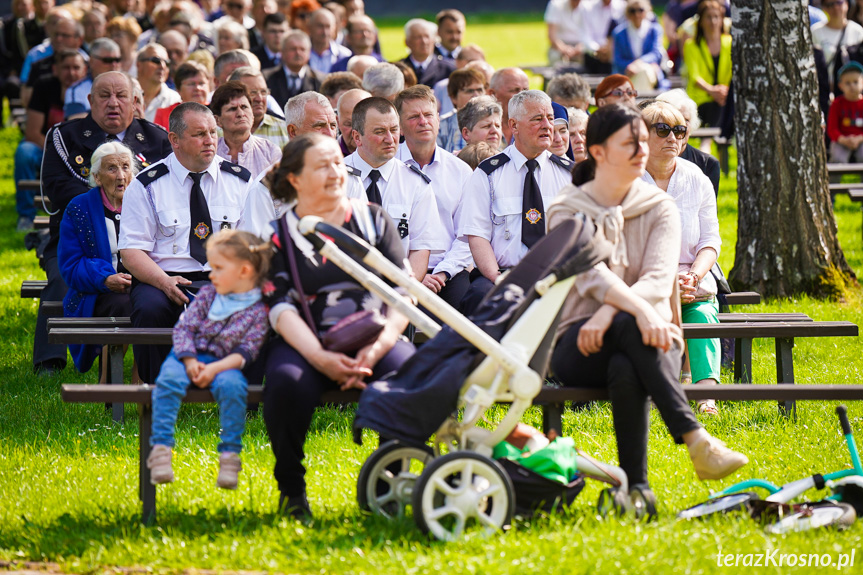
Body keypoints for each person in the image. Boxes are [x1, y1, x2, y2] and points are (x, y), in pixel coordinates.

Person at [547, 104, 747, 493]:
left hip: (647, 337)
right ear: (599, 152)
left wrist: (610, 313)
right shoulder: (567, 208)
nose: (642, 151)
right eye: (631, 143)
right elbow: (589, 274)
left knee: (626, 361)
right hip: (581, 341)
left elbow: (658, 278)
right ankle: (696, 440)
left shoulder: (660, 207)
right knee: (631, 328)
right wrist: (635, 310)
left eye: (643, 141)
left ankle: (637, 489)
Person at [261, 133, 416, 518]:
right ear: (295, 178)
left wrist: (378, 348)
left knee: (406, 371)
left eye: (337, 163)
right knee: (284, 382)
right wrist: (319, 357)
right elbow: (278, 308)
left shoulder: (372, 219)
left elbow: (404, 292)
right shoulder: (278, 235)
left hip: (376, 336)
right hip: (305, 342)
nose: (336, 172)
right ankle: (292, 491)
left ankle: (389, 488)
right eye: (322, 165)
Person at [35, 71, 172, 375]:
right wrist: (109, 197)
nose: (113, 103)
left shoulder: (157, 138)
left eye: (121, 95)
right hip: (80, 238)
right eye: (104, 96)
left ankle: (151, 369)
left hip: (147, 242)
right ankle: (49, 360)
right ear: (90, 100)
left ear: (135, 102)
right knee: (59, 277)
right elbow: (57, 186)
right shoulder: (64, 136)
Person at [118, 102, 252, 384]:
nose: (209, 141)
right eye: (199, 134)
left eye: (213, 133)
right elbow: (131, 251)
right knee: (150, 309)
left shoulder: (241, 182)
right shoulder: (146, 185)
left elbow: (254, 244)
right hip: (163, 278)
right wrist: (164, 282)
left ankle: (244, 399)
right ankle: (158, 391)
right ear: (174, 140)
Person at [147, 230, 271, 489]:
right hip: (186, 356)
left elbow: (246, 351)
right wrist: (191, 362)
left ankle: (229, 455)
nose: (210, 275)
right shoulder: (207, 296)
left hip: (225, 363)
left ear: (245, 271)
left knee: (234, 388)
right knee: (168, 381)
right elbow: (184, 329)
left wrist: (215, 368)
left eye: (217, 268)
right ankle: (160, 449)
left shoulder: (259, 310)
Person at [458, 90, 575, 314]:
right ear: (514, 125)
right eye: (537, 119)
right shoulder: (488, 174)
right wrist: (496, 277)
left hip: (556, 274)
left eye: (550, 118)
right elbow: (477, 235)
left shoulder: (569, 175)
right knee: (479, 297)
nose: (547, 126)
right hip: (503, 272)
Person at [640, 101, 721, 414]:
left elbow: (710, 240)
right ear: (641, 137)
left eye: (679, 130)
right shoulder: (627, 181)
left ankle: (706, 398)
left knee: (701, 315)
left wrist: (694, 276)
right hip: (643, 281)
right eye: (662, 130)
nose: (672, 137)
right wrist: (664, 282)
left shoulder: (696, 178)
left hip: (691, 279)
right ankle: (655, 388)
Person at [57, 141, 137, 374]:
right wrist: (105, 279)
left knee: (153, 305)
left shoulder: (144, 203)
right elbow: (70, 265)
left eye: (125, 167)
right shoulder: (79, 208)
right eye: (112, 168)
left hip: (143, 286)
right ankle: (110, 381)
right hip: (96, 293)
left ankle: (141, 378)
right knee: (126, 304)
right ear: (97, 177)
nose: (121, 175)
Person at [345, 97, 445, 279]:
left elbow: (420, 249)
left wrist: (404, 292)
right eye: (380, 131)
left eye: (394, 130)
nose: (390, 139)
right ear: (357, 137)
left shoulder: (415, 183)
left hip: (399, 282)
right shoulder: (336, 177)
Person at [395, 85, 474, 308]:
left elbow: (467, 235)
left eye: (428, 115)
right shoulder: (389, 170)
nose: (423, 121)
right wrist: (415, 276)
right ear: (400, 127)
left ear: (438, 119)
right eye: (413, 117)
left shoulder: (460, 172)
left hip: (448, 272)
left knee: (466, 311)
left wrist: (442, 274)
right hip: (400, 273)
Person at [14, 49, 87, 232]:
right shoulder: (44, 86)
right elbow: (32, 132)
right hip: (46, 148)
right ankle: (26, 215)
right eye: (66, 68)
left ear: (85, 70)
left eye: (76, 67)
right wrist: (58, 153)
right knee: (24, 152)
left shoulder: (91, 90)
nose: (71, 73)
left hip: (82, 154)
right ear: (55, 69)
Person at [656, 88, 720, 195]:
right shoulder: (643, 160)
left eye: (686, 120)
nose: (681, 126)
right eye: (675, 119)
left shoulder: (707, 164)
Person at [212, 81, 281, 179]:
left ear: (252, 114)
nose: (240, 114)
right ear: (217, 120)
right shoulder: (211, 152)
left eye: (244, 107)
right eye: (232, 109)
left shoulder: (270, 152)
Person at [682, 0, 731, 129]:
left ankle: (712, 142)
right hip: (701, 99)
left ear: (722, 20)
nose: (713, 21)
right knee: (715, 107)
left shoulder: (730, 43)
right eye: (708, 17)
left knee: (724, 106)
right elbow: (694, 77)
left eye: (716, 17)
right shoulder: (691, 45)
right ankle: (709, 142)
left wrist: (723, 91)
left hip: (725, 97)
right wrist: (713, 91)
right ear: (701, 21)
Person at [228, 66, 289, 150]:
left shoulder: (284, 130)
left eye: (263, 92)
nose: (259, 98)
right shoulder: (218, 131)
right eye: (252, 93)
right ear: (233, 95)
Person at [612, 0, 667, 92]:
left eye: (640, 10)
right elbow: (617, 60)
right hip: (626, 73)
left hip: (650, 72)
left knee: (643, 71)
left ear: (647, 11)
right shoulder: (619, 33)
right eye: (632, 11)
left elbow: (656, 53)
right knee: (642, 73)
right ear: (627, 13)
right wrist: (630, 67)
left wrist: (638, 64)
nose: (637, 14)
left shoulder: (655, 30)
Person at [63, 37, 124, 120]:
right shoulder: (76, 90)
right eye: (107, 60)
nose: (114, 64)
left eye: (117, 60)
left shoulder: (132, 85)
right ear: (91, 61)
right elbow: (77, 124)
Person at [265, 30, 324, 109]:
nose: (298, 53)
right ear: (282, 52)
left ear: (309, 52)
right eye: (293, 49)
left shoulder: (320, 80)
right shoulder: (267, 78)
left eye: (302, 49)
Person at [813, 0, 863, 88]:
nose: (835, 7)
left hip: (852, 90)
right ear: (824, 8)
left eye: (839, 2)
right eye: (830, 5)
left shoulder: (858, 31)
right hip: (824, 87)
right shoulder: (815, 32)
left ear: (847, 4)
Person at [438, 68, 487, 153]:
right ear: (453, 97)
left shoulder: (495, 123)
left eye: (480, 90)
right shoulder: (440, 125)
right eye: (469, 91)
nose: (476, 95)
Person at [153, 60, 211, 129]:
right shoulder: (164, 114)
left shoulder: (217, 112)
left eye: (201, 83)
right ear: (178, 89)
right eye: (191, 84)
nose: (197, 88)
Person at [399, 18, 455, 88]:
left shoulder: (448, 69)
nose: (424, 42)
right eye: (418, 37)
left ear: (434, 40)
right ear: (407, 42)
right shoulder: (398, 70)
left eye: (427, 36)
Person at [136, 43, 182, 122]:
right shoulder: (124, 93)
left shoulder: (174, 100)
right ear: (139, 65)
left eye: (167, 63)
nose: (162, 66)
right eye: (156, 60)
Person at [828, 61, 863, 163]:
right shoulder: (836, 104)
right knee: (838, 158)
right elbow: (832, 129)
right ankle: (835, 179)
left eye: (855, 82)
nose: (852, 86)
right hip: (841, 140)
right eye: (847, 83)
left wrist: (858, 139)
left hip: (861, 140)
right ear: (840, 86)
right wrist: (843, 140)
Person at [488, 67, 529, 145]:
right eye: (514, 90)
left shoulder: (534, 127)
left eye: (525, 91)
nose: (522, 96)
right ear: (492, 94)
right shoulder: (480, 128)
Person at [544, 0, 589, 66]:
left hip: (582, 47)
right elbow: (551, 36)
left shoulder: (588, 6)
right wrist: (564, 49)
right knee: (555, 59)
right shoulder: (556, 5)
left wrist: (580, 48)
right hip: (559, 47)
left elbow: (591, 35)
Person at [307, 8, 350, 74]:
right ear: (310, 27)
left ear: (334, 28)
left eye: (328, 27)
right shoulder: (301, 52)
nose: (324, 32)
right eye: (320, 26)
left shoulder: (345, 55)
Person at [336, 87, 371, 155]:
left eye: (363, 123)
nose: (356, 131)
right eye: (349, 124)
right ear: (338, 122)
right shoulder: (328, 155)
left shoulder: (393, 153)